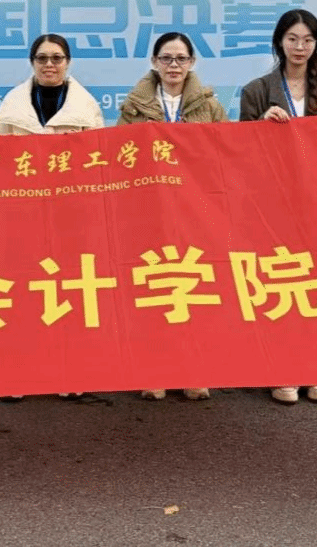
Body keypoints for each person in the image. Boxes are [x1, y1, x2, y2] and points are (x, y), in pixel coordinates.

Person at [239, 8, 317, 405]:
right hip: (273, 204)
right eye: (292, 39)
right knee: (280, 281)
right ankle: (282, 366)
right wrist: (261, 127)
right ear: (279, 42)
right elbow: (239, 154)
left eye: (308, 40)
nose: (300, 47)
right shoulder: (256, 90)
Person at [118, 31, 228, 401]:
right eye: (166, 58)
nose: (173, 66)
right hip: (149, 209)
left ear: (192, 62)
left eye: (181, 59)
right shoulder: (133, 107)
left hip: (195, 208)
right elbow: (120, 155)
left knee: (194, 288)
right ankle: (155, 370)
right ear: (154, 62)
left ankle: (194, 369)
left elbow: (225, 151)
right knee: (155, 288)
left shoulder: (209, 106)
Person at [0, 34, 105, 134]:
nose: (49, 64)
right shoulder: (12, 102)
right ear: (32, 62)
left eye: (57, 58)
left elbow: (97, 146)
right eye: (42, 58)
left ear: (67, 62)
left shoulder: (86, 103)